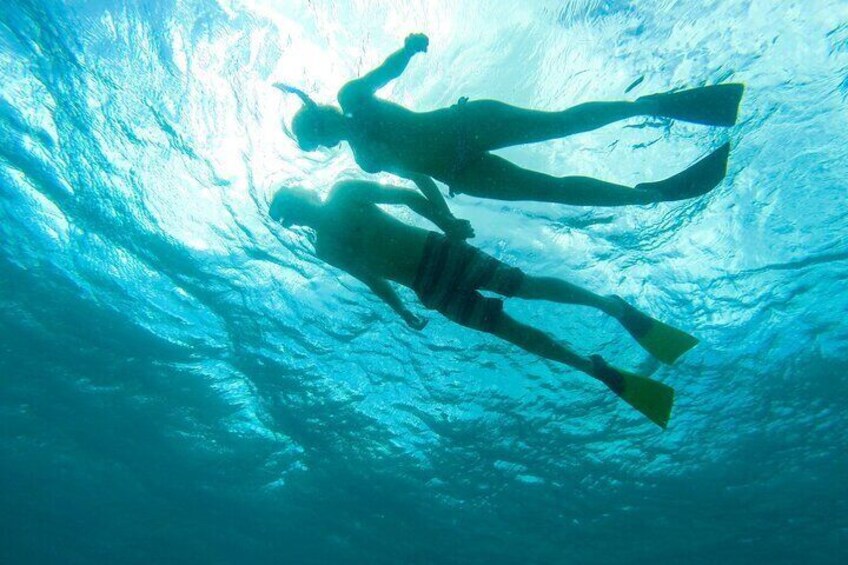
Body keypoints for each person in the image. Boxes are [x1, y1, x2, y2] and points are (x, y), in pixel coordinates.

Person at [269, 180, 701, 428]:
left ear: (301, 196)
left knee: (524, 286)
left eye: (290, 208)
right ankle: (594, 370)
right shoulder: (324, 248)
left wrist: (447, 221)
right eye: (287, 219)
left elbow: (405, 195)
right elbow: (371, 279)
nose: (294, 218)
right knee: (512, 333)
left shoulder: (344, 194)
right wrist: (401, 310)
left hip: (443, 254)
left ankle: (609, 305)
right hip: (430, 290)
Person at [274, 33, 743, 221]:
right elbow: (416, 176)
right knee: (551, 189)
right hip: (462, 170)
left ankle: (648, 105)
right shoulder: (367, 158)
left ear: (319, 117)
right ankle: (647, 195)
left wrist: (409, 49)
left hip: (466, 125)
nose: (325, 136)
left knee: (561, 125)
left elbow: (385, 72)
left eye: (317, 131)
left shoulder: (352, 100)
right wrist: (448, 218)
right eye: (319, 139)